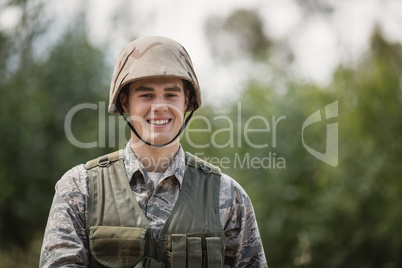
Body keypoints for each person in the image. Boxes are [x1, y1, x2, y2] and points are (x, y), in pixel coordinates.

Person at [40, 36, 268, 268]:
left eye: (171, 95)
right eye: (146, 95)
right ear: (125, 103)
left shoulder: (227, 196)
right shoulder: (81, 189)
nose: (159, 106)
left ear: (186, 102)